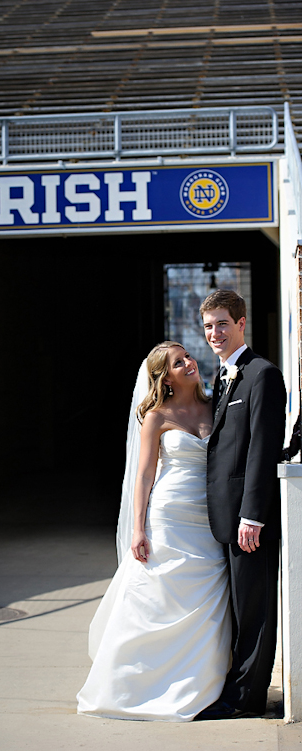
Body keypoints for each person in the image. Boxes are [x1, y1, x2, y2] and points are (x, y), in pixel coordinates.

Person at [77, 341, 231, 722]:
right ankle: (133, 686)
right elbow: (144, 474)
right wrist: (137, 529)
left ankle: (199, 685)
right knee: (156, 599)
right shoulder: (156, 416)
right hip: (169, 516)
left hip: (208, 517)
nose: (189, 363)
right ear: (165, 377)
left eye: (188, 357)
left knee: (206, 599)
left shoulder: (217, 406)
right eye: (179, 363)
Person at [196, 289, 286, 720]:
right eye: (209, 325)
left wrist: (252, 515)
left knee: (254, 612)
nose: (215, 333)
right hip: (225, 518)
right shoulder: (223, 376)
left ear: (241, 323)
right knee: (236, 610)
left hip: (251, 520)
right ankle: (232, 689)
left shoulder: (261, 374)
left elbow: (262, 451)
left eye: (223, 324)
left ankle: (245, 701)